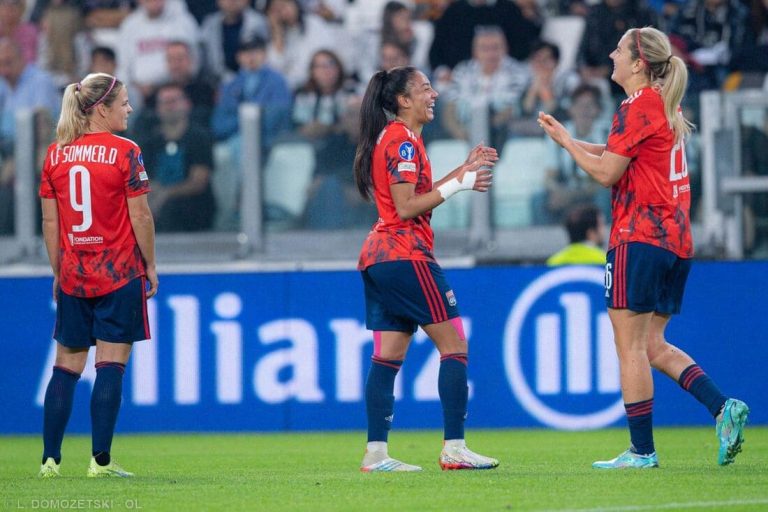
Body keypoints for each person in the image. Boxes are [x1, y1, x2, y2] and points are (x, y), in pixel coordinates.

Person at [538, 27, 749, 469]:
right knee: (652, 344)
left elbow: (606, 174)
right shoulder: (658, 106)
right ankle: (721, 407)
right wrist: (572, 139)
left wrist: (565, 145)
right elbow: (617, 153)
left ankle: (641, 451)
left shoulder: (636, 107)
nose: (611, 54)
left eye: (619, 49)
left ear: (638, 63)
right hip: (675, 240)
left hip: (639, 236)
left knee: (629, 347)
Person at [353, 65, 498, 472]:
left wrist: (461, 170)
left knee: (387, 358)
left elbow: (417, 194)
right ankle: (454, 448)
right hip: (405, 254)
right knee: (455, 345)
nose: (433, 94)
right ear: (402, 99)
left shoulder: (402, 137)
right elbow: (406, 208)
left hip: (379, 258)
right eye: (425, 88)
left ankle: (376, 455)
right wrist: (460, 185)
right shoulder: (401, 140)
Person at [37, 72, 158, 478]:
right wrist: (151, 264)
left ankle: (50, 461)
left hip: (74, 274)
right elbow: (139, 214)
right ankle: (100, 462)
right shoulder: (126, 151)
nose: (129, 108)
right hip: (119, 271)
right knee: (110, 363)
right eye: (123, 102)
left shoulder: (55, 155)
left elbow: (50, 224)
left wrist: (59, 270)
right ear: (101, 109)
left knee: (66, 366)